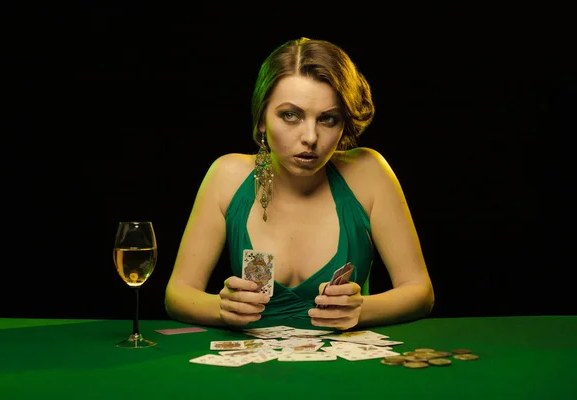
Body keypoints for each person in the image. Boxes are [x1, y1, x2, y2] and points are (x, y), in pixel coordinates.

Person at [165, 37, 434, 331]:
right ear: (262, 120)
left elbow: (420, 292)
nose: (310, 137)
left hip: (345, 371)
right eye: (290, 115)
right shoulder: (226, 175)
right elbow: (177, 294)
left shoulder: (368, 173)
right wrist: (221, 307)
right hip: (253, 371)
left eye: (328, 119)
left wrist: (362, 309)